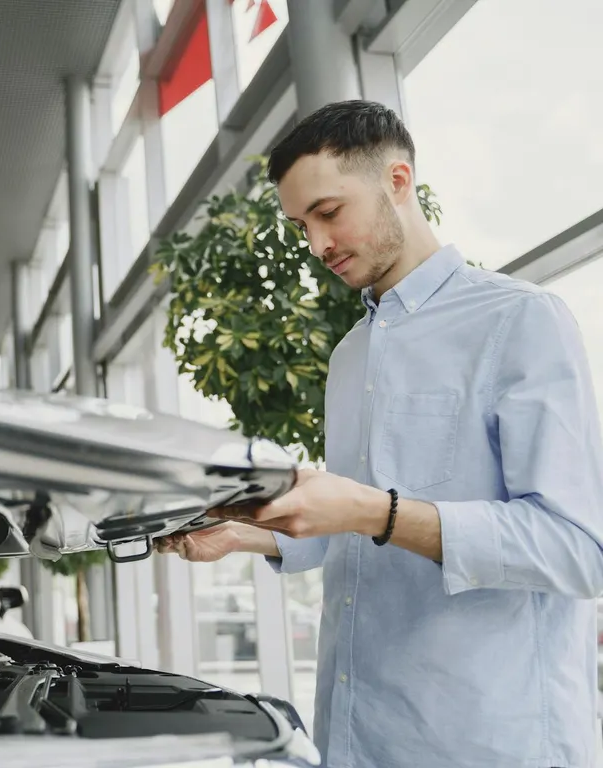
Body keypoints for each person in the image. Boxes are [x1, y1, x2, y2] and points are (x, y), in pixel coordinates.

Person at [157, 100, 603, 768]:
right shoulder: (350, 357)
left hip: (485, 742)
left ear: (398, 182)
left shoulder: (521, 320)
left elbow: (577, 548)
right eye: (301, 225)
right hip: (359, 734)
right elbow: (368, 537)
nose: (317, 245)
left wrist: (373, 510)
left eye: (329, 213)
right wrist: (252, 534)